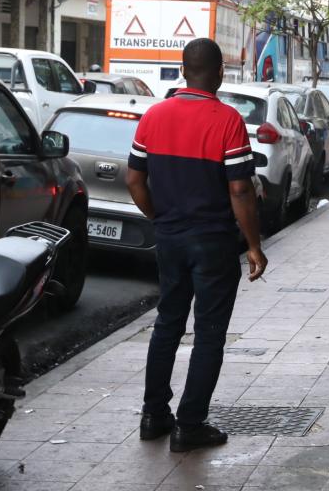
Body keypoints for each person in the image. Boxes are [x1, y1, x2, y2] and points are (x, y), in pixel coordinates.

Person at [125, 38, 268, 453]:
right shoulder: (227, 121)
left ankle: (154, 416)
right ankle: (189, 424)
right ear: (220, 72)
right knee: (208, 333)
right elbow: (240, 188)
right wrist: (254, 246)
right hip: (213, 243)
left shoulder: (154, 115)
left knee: (167, 323)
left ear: (183, 70)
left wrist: (158, 217)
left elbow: (134, 180)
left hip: (169, 238)